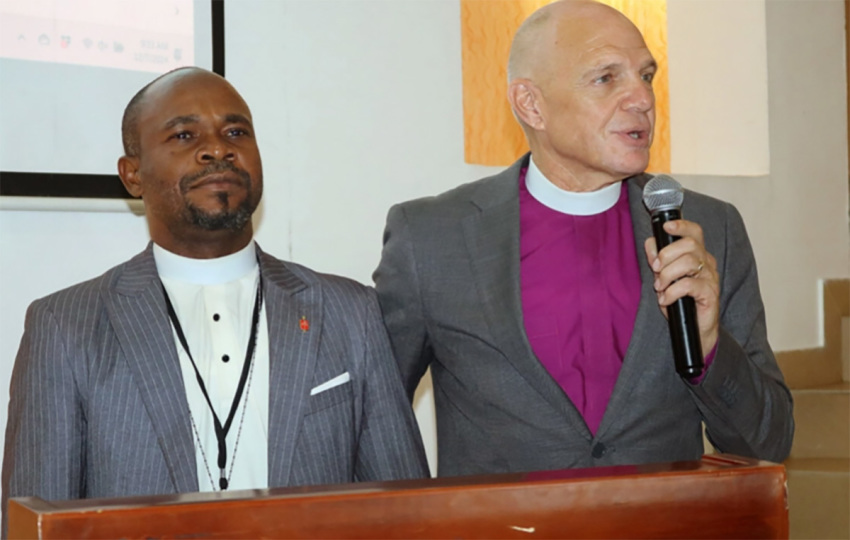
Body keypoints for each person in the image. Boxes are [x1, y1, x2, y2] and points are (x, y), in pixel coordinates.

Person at [373, 0, 793, 477]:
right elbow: (373, 422)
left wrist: (711, 345)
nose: (642, 98)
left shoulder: (709, 229)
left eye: (646, 76)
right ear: (531, 104)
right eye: (606, 78)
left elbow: (768, 441)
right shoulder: (431, 239)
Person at [2, 67, 428, 532]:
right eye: (184, 135)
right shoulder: (65, 325)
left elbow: (404, 511)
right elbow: (34, 525)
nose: (218, 149)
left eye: (236, 132)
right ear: (132, 175)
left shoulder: (349, 312)